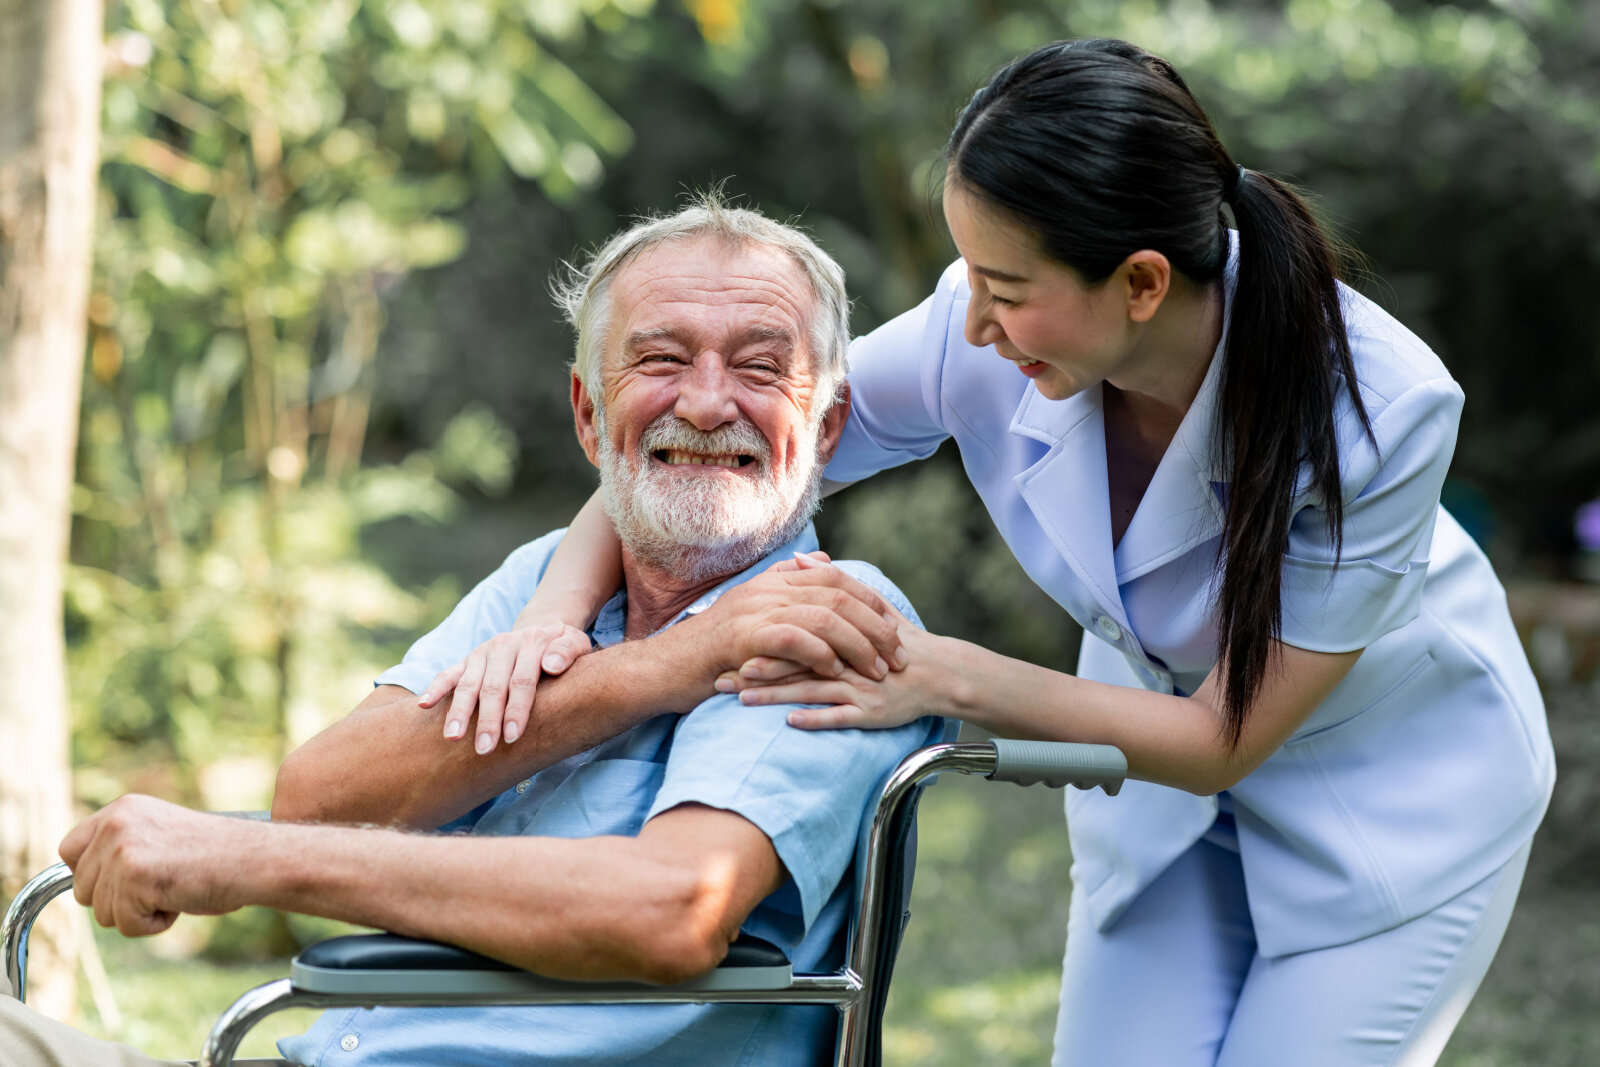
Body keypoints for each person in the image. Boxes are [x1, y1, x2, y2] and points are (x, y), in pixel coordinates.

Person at [439, 39, 1556, 1067]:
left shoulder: (1379, 412)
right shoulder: (972, 331)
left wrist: (933, 672)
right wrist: (553, 612)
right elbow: (709, 449)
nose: (969, 321)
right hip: (1149, 790)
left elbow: (1224, 736)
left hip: (1387, 795)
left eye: (1006, 291)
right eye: (968, 275)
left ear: (1140, 285)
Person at [0, 198, 939, 1067]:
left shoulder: (829, 614)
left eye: (760, 366)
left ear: (828, 426)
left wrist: (239, 856)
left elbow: (673, 911)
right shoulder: (545, 582)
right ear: (587, 413)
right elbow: (320, 796)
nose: (704, 400)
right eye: (659, 359)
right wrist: (662, 668)